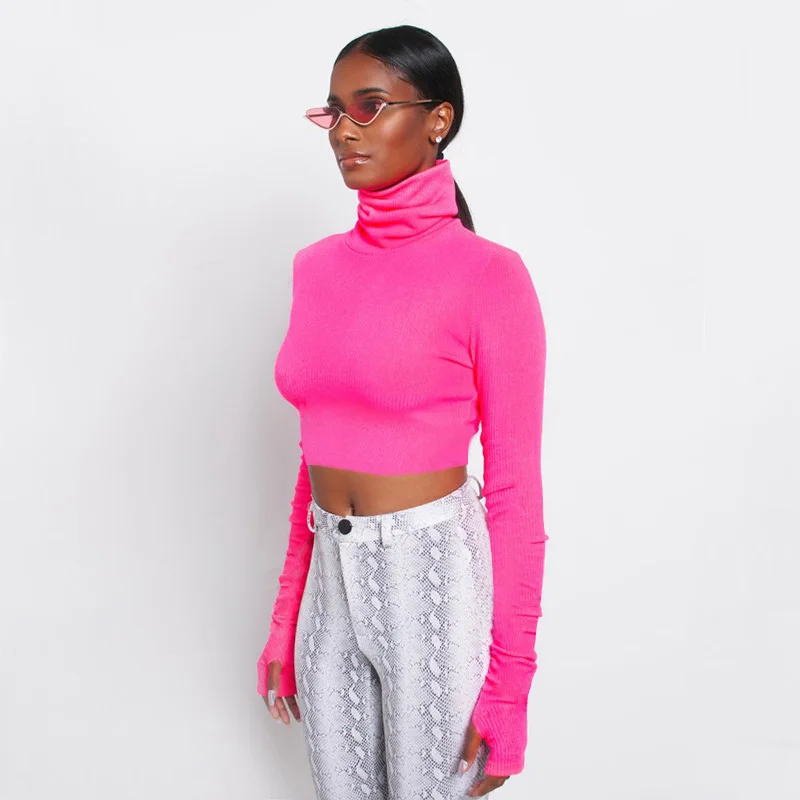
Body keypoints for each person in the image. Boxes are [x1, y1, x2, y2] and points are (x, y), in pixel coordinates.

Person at [256, 24, 548, 800]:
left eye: (370, 106)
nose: (344, 129)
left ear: (438, 119)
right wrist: (286, 619)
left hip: (433, 579)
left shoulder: (490, 277)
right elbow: (315, 452)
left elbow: (515, 493)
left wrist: (511, 689)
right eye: (334, 111)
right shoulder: (315, 268)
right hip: (330, 589)